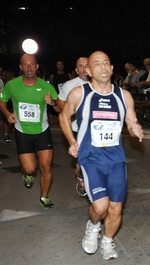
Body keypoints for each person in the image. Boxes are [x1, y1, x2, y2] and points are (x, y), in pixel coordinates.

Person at [59, 51, 143, 260]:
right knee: (100, 206)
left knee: (115, 208)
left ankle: (107, 241)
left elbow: (131, 122)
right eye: (96, 64)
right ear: (88, 70)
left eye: (106, 63)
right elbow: (64, 116)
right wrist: (72, 142)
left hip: (116, 160)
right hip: (90, 159)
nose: (103, 67)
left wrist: (136, 129)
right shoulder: (79, 94)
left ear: (112, 68)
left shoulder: (123, 96)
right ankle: (93, 225)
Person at [0, 53, 59, 209]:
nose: (29, 67)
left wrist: (52, 102)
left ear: (37, 66)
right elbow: (1, 100)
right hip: (22, 131)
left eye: (32, 64)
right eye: (25, 64)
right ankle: (27, 173)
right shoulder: (12, 85)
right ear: (21, 67)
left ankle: (44, 197)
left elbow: (61, 108)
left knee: (46, 167)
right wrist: (7, 114)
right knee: (30, 168)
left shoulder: (46, 86)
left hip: (42, 130)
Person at [56, 56, 90, 198]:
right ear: (77, 70)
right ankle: (81, 178)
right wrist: (74, 111)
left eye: (87, 65)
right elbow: (59, 102)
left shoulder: (101, 84)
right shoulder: (70, 85)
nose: (84, 68)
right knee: (81, 165)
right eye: (81, 66)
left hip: (96, 131)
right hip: (77, 129)